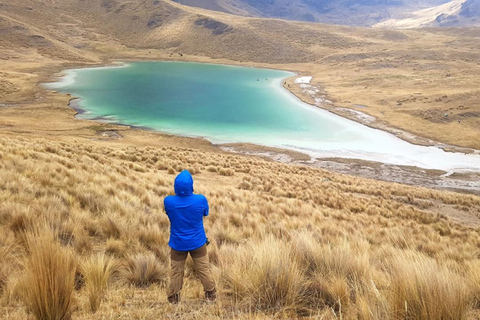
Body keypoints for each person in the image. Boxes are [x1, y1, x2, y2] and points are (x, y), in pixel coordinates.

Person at [163, 170, 216, 304]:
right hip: (198, 242)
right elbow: (206, 213)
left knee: (176, 272)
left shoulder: (168, 201)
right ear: (191, 185)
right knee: (204, 269)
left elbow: (169, 214)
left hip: (177, 244)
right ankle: (211, 295)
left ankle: (173, 298)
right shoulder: (200, 199)